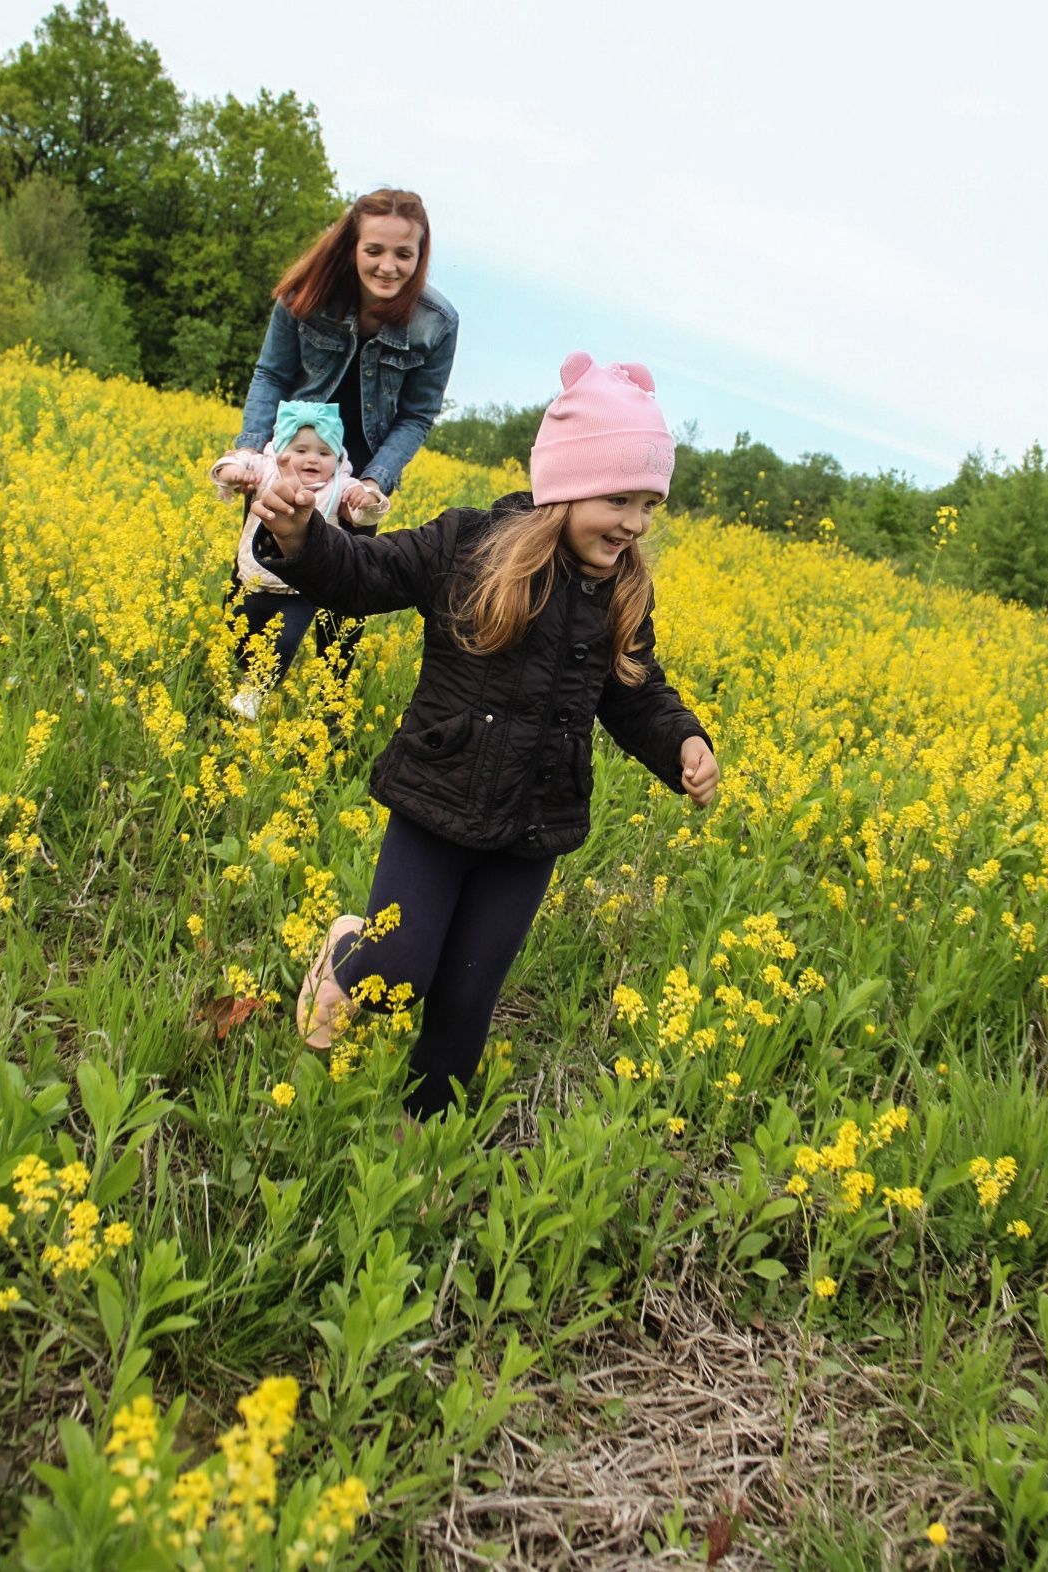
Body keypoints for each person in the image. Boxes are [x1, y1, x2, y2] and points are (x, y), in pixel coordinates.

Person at [249, 352, 720, 1120]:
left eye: (648, 504)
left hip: (534, 826)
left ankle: (420, 1145)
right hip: (438, 800)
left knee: (467, 999)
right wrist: (303, 537)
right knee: (395, 976)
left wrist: (681, 745)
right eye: (618, 498)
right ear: (565, 485)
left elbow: (635, 692)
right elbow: (363, 577)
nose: (634, 523)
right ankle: (344, 953)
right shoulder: (467, 545)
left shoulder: (623, 587)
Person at [220, 186, 457, 703]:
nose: (388, 266)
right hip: (288, 459)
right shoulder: (307, 292)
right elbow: (271, 374)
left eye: (403, 253)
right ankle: (234, 690)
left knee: (349, 591)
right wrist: (249, 452)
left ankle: (330, 712)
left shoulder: (437, 322)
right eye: (375, 250)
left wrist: (375, 480)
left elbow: (417, 414)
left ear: (420, 256)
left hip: (358, 475)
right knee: (255, 575)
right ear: (353, 245)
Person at [211, 400, 383, 718]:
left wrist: (368, 499)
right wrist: (232, 471)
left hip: (303, 588)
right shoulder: (266, 470)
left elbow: (365, 512)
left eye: (323, 452)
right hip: (255, 577)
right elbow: (227, 470)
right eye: (300, 450)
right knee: (236, 633)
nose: (311, 459)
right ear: (281, 449)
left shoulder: (341, 486)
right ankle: (232, 678)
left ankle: (256, 689)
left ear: (339, 458)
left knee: (285, 641)